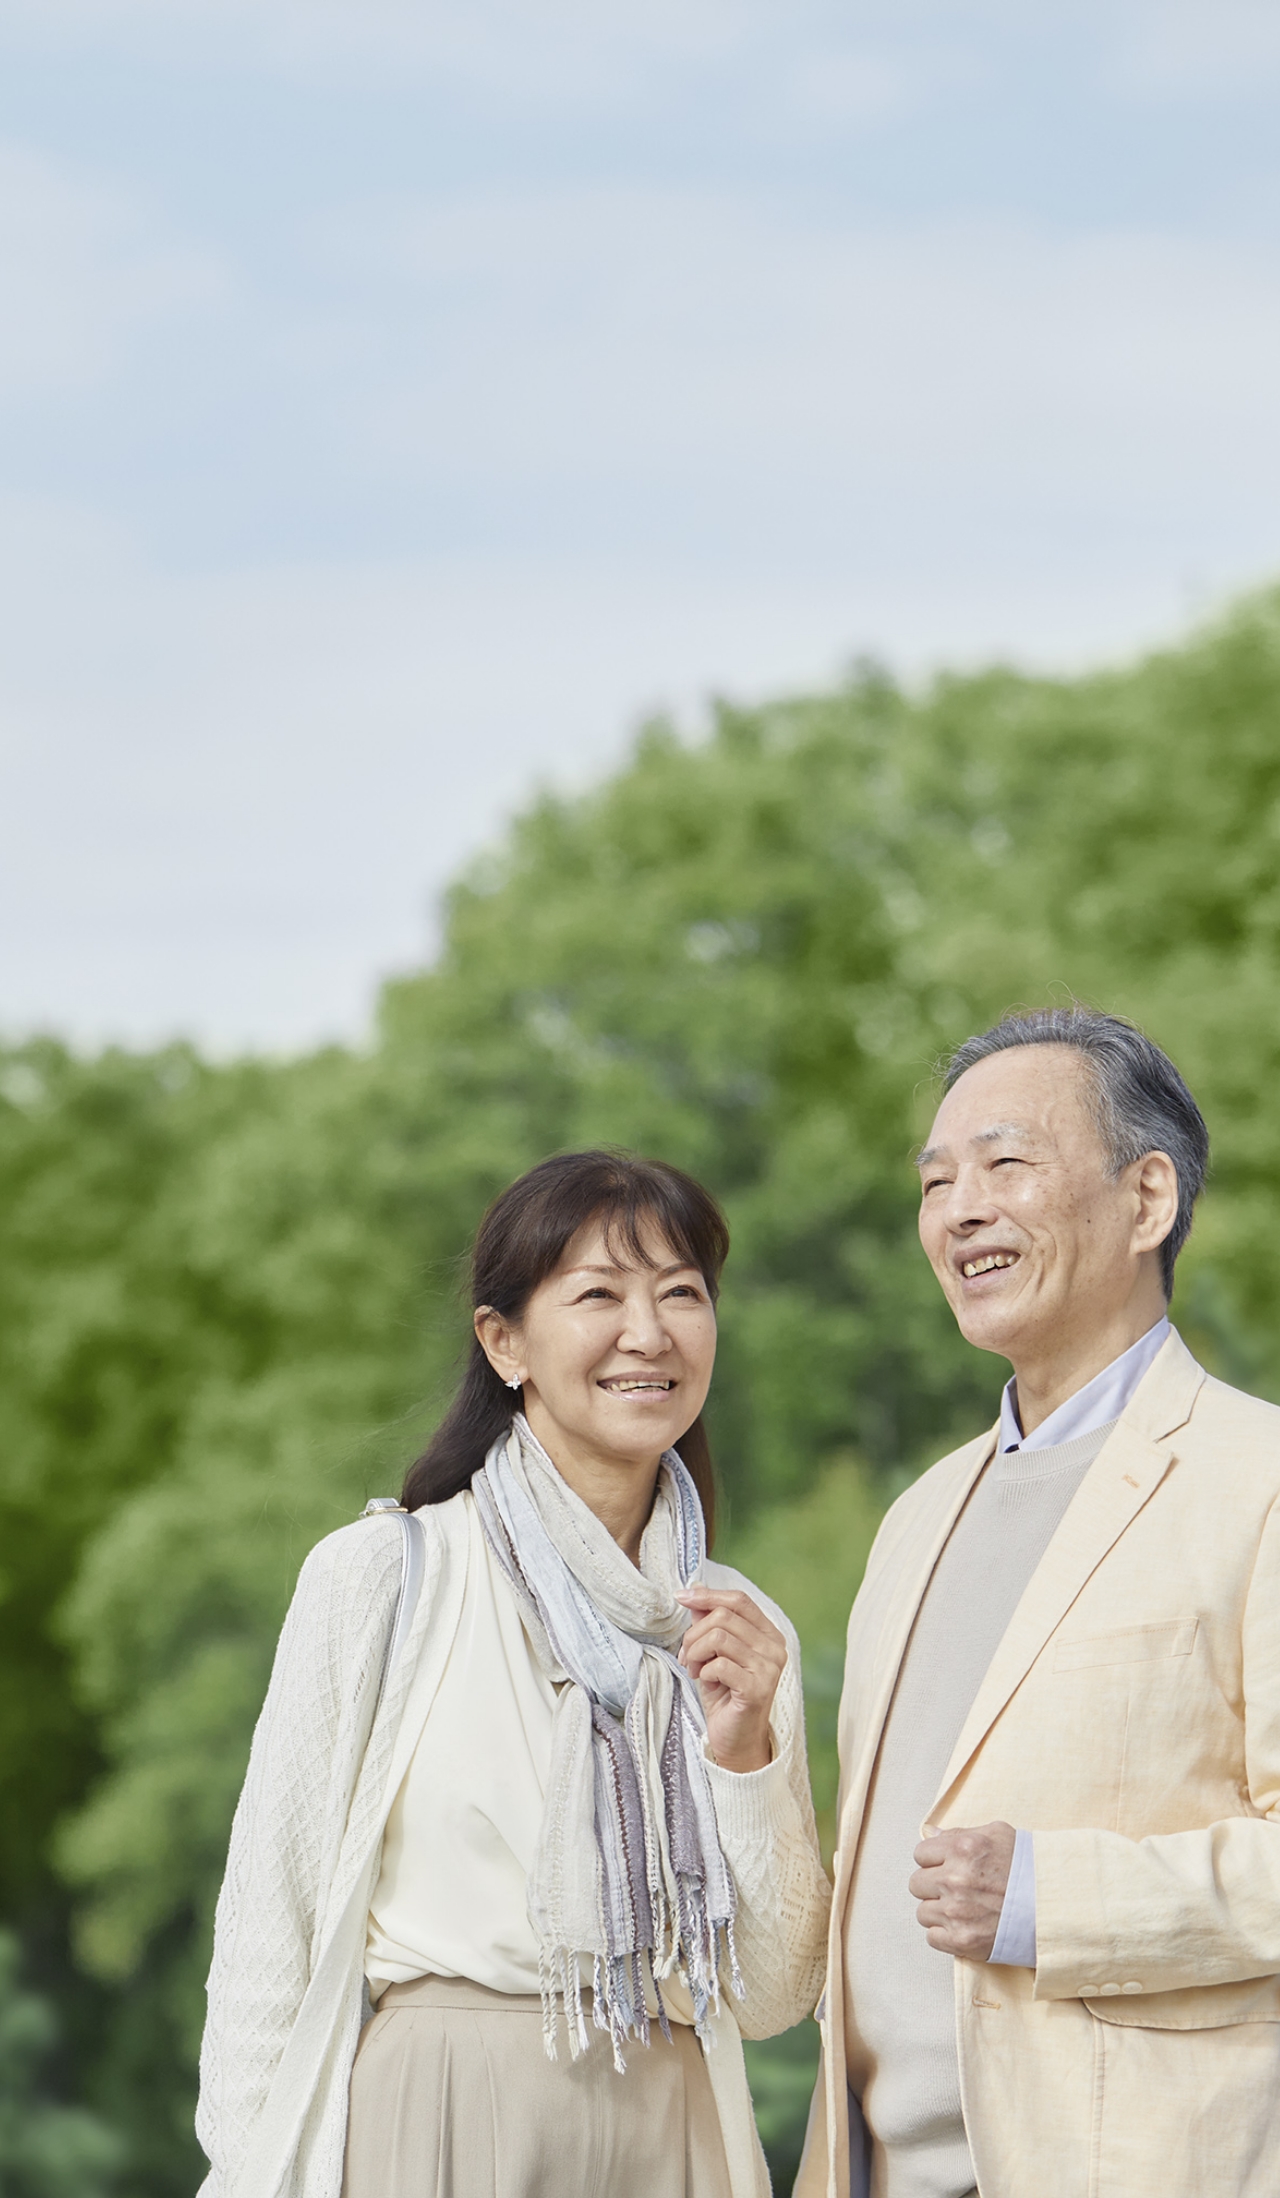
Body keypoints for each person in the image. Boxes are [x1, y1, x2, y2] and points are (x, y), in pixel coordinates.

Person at [197, 1149, 830, 2198]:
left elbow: (769, 1994)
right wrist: (247, 2167)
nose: (648, 1331)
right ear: (503, 1342)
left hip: (676, 2130)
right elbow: (271, 1922)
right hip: (439, 2114)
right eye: (598, 1294)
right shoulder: (383, 1577)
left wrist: (744, 1754)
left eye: (680, 1292)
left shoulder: (737, 1629)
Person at [797, 1004, 1280, 2198]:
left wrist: (1042, 1898)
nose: (959, 1209)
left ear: (1146, 1199)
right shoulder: (917, 1516)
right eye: (934, 1181)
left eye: (1005, 1163)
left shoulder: (1256, 1479)